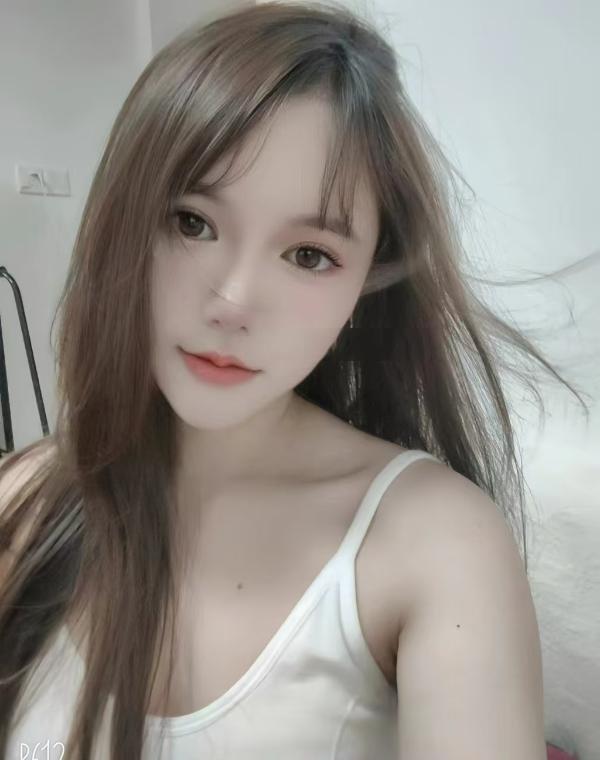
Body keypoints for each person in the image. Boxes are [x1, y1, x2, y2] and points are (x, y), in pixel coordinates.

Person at [0, 2, 579, 758]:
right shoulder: (26, 502)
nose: (233, 301)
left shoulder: (434, 543)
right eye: (192, 221)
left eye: (309, 255)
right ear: (123, 223)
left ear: (364, 286)